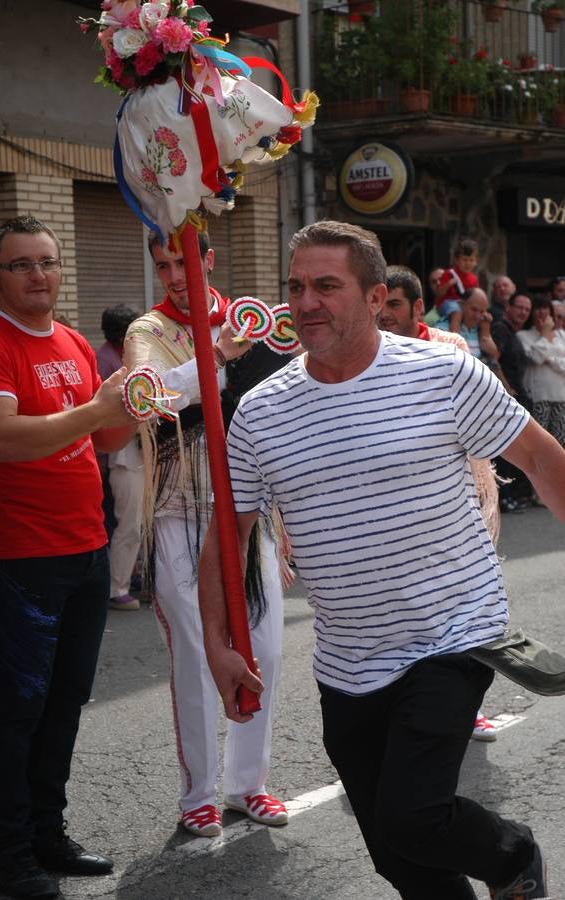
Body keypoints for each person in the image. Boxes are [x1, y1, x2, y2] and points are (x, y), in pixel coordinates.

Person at [199, 220, 565, 899]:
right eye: (297, 287)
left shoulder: (444, 373)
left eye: (327, 286)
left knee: (414, 814)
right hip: (348, 660)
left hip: (453, 632)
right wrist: (218, 643)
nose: (307, 302)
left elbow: (543, 459)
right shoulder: (259, 413)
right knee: (400, 857)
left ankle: (514, 857)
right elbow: (229, 531)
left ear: (375, 297)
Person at [0, 216, 134, 900]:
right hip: (23, 555)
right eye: (22, 265)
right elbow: (1, 438)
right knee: (20, 708)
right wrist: (96, 412)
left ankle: (47, 836)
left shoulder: (69, 340)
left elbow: (105, 437)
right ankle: (7, 860)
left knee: (64, 702)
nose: (39, 275)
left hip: (88, 545)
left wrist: (134, 403)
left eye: (47, 262)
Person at [121, 231, 288, 838]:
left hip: (247, 512)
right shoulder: (147, 330)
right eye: (161, 263)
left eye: (181, 261)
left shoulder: (251, 319)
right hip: (177, 509)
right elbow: (151, 399)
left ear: (208, 260)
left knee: (264, 647)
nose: (171, 274)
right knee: (195, 651)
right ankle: (199, 792)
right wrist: (216, 356)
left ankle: (248, 785)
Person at [379, 265, 498, 743]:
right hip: (393, 507)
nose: (385, 314)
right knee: (402, 611)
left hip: (457, 498)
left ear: (416, 307)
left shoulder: (449, 347)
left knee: (463, 608)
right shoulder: (364, 352)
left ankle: (466, 710)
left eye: (395, 305)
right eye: (380, 304)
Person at [96, 304, 143, 611]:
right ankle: (117, 587)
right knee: (129, 524)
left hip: (135, 453)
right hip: (122, 455)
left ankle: (129, 576)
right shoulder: (105, 361)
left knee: (135, 522)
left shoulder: (121, 356)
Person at [491, 293, 534, 513]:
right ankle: (503, 498)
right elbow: (493, 359)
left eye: (527, 310)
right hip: (505, 399)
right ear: (509, 306)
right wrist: (507, 390)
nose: (523, 313)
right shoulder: (500, 328)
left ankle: (511, 495)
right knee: (505, 451)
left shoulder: (512, 332)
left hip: (515, 397)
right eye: (519, 307)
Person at [517, 294, 565, 449]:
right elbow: (536, 358)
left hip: (561, 398)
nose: (542, 312)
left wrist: (550, 360)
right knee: (539, 445)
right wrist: (544, 334)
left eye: (545, 308)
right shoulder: (523, 336)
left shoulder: (561, 335)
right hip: (538, 398)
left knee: (560, 444)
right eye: (538, 309)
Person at [434, 238, 479, 333]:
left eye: (471, 260)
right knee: (457, 311)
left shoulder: (473, 279)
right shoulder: (449, 274)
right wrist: (448, 284)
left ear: (476, 261)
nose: (468, 263)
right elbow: (439, 294)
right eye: (464, 259)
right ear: (456, 260)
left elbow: (475, 298)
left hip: (463, 304)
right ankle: (456, 337)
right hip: (447, 303)